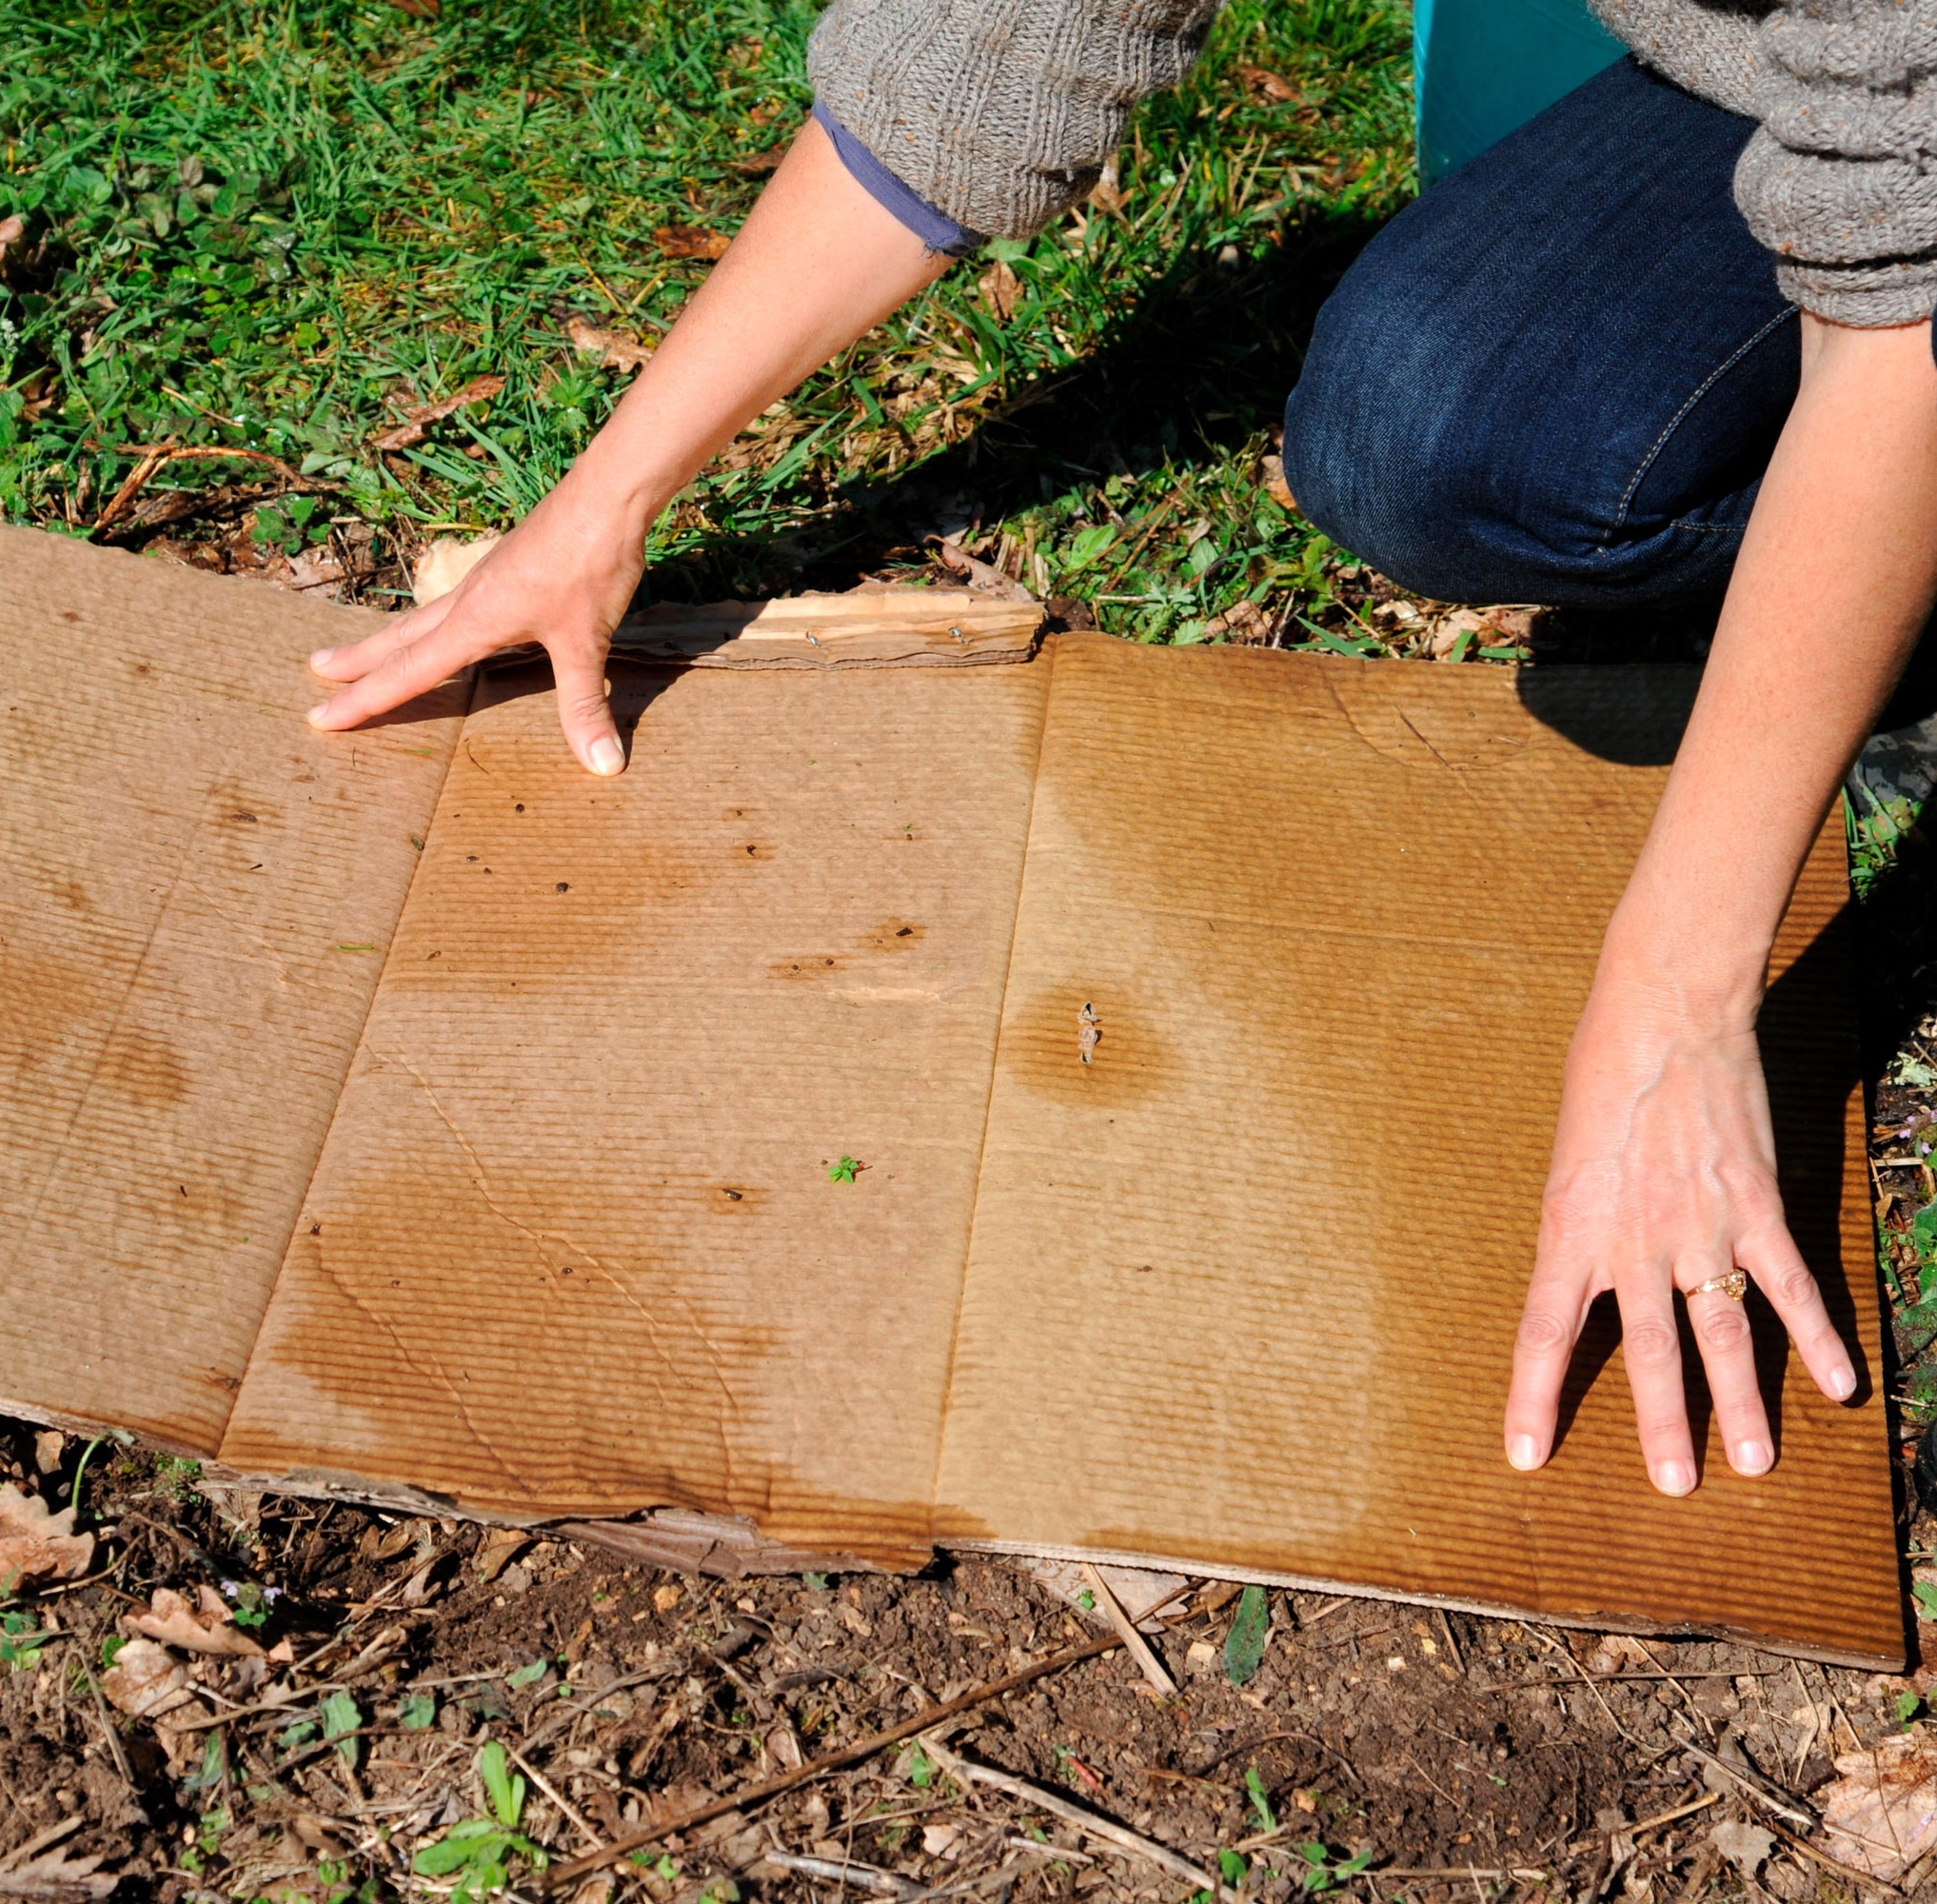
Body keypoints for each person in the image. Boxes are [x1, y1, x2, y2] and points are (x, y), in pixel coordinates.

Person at [304, 0, 1932, 1500]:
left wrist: (1674, 1007)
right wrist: (600, 508)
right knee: (1416, 441)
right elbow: (1001, 35)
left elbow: (1904, 314)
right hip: (1810, 85)